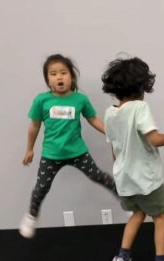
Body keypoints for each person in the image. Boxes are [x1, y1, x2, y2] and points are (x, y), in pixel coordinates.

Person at [102, 56, 164, 261]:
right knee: (160, 217)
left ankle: (122, 260)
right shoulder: (140, 108)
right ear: (142, 87)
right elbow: (155, 139)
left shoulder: (110, 113)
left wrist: (122, 170)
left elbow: (114, 149)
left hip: (124, 178)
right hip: (146, 179)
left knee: (137, 214)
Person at [19, 54, 117, 239]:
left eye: (63, 72)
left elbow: (93, 119)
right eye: (53, 73)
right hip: (51, 155)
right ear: (48, 80)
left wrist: (111, 132)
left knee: (98, 176)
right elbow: (34, 126)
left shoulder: (80, 100)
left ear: (71, 77)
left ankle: (126, 202)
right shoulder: (42, 101)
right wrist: (29, 149)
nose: (59, 77)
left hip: (77, 152)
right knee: (41, 187)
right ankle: (31, 216)